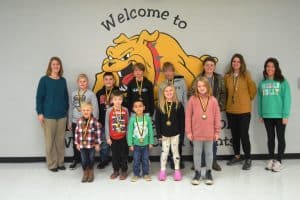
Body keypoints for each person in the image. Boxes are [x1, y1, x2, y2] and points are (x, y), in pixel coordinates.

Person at [186, 76, 221, 185]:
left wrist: (217, 131)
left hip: (209, 133)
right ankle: (197, 172)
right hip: (196, 133)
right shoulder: (192, 99)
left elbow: (217, 116)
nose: (201, 88)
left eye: (203, 86)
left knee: (209, 153)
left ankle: (209, 172)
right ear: (196, 87)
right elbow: (188, 116)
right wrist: (189, 131)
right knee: (197, 153)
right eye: (199, 86)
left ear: (208, 87)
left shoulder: (213, 100)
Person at [258, 57, 291, 172]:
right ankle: (271, 159)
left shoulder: (283, 82)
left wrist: (285, 115)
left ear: (276, 68)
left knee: (280, 138)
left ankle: (279, 161)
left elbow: (287, 99)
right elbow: (260, 99)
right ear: (265, 68)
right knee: (270, 138)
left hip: (280, 116)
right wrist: (261, 114)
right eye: (268, 66)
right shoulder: (262, 83)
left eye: (272, 66)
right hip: (267, 115)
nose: (270, 68)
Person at [36, 56, 69, 172]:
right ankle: (52, 164)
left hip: (62, 115)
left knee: (60, 141)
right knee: (50, 141)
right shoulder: (44, 80)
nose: (56, 66)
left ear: (60, 67)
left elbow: (66, 98)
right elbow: (39, 97)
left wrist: (66, 113)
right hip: (48, 115)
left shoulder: (63, 80)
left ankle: (60, 163)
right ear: (50, 66)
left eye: (58, 64)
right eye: (54, 64)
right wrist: (40, 113)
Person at [224, 53, 257, 170]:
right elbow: (226, 92)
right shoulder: (227, 76)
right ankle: (237, 156)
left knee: (244, 135)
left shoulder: (246, 75)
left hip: (244, 111)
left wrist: (246, 100)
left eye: (238, 62)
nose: (236, 63)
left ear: (241, 63)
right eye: (234, 61)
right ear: (232, 63)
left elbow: (253, 89)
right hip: (231, 110)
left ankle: (248, 158)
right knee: (235, 135)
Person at [197, 56, 226, 171]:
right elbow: (191, 93)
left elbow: (223, 94)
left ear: (214, 67)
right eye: (207, 65)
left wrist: (219, 107)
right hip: (201, 113)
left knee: (213, 138)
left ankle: (213, 161)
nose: (209, 67)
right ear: (204, 67)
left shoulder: (219, 79)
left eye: (211, 65)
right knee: (200, 138)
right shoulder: (199, 78)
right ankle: (201, 161)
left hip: (213, 113)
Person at [158, 62, 187, 169]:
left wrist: (186, 112)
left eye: (170, 70)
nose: (168, 73)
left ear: (173, 71)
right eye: (166, 71)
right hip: (167, 114)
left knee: (178, 137)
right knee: (168, 140)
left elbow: (185, 99)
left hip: (179, 112)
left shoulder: (182, 82)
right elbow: (160, 101)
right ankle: (171, 158)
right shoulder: (161, 85)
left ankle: (180, 158)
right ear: (163, 73)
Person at [68, 74, 99, 169]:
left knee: (87, 141)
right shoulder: (73, 93)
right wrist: (69, 121)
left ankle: (86, 161)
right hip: (75, 121)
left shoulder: (91, 94)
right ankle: (76, 159)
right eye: (80, 81)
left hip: (87, 122)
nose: (82, 83)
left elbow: (95, 108)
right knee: (76, 142)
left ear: (87, 82)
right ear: (77, 83)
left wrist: (95, 120)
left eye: (84, 81)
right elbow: (71, 107)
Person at [156, 85, 185, 181]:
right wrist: (159, 134)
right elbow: (157, 122)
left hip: (176, 134)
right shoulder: (160, 105)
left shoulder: (179, 105)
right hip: (164, 134)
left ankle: (177, 171)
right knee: (164, 153)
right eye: (166, 91)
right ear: (163, 93)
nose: (169, 93)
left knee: (176, 153)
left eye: (171, 91)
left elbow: (182, 122)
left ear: (174, 92)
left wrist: (182, 135)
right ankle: (163, 171)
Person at [95, 72, 119, 169]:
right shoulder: (99, 93)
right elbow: (96, 108)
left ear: (114, 80)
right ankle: (104, 160)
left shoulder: (118, 91)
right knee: (104, 142)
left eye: (110, 79)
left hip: (116, 120)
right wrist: (98, 120)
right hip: (103, 121)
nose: (108, 81)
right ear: (103, 81)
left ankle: (118, 159)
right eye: (106, 79)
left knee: (117, 141)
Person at [127, 99, 154, 182]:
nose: (138, 108)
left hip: (145, 144)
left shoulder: (147, 118)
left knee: (145, 160)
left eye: (140, 106)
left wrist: (151, 142)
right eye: (136, 107)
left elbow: (150, 131)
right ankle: (136, 174)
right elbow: (130, 132)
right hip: (136, 145)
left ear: (144, 107)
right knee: (136, 160)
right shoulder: (132, 119)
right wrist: (130, 144)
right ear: (133, 109)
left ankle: (146, 173)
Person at [105, 90, 129, 180]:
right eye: (115, 99)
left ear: (122, 100)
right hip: (113, 138)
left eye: (119, 99)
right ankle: (115, 170)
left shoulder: (125, 110)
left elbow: (128, 124)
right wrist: (108, 138)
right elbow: (107, 124)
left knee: (124, 155)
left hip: (123, 137)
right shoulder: (109, 111)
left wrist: (128, 138)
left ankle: (124, 171)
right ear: (112, 101)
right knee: (115, 156)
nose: (118, 101)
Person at [75, 102, 101, 182]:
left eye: (88, 110)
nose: (86, 112)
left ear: (91, 111)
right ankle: (85, 172)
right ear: (81, 111)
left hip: (91, 145)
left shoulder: (94, 121)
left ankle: (91, 171)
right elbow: (77, 133)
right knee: (83, 159)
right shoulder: (79, 121)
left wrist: (97, 144)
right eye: (84, 110)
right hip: (82, 145)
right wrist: (77, 143)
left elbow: (98, 133)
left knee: (91, 158)